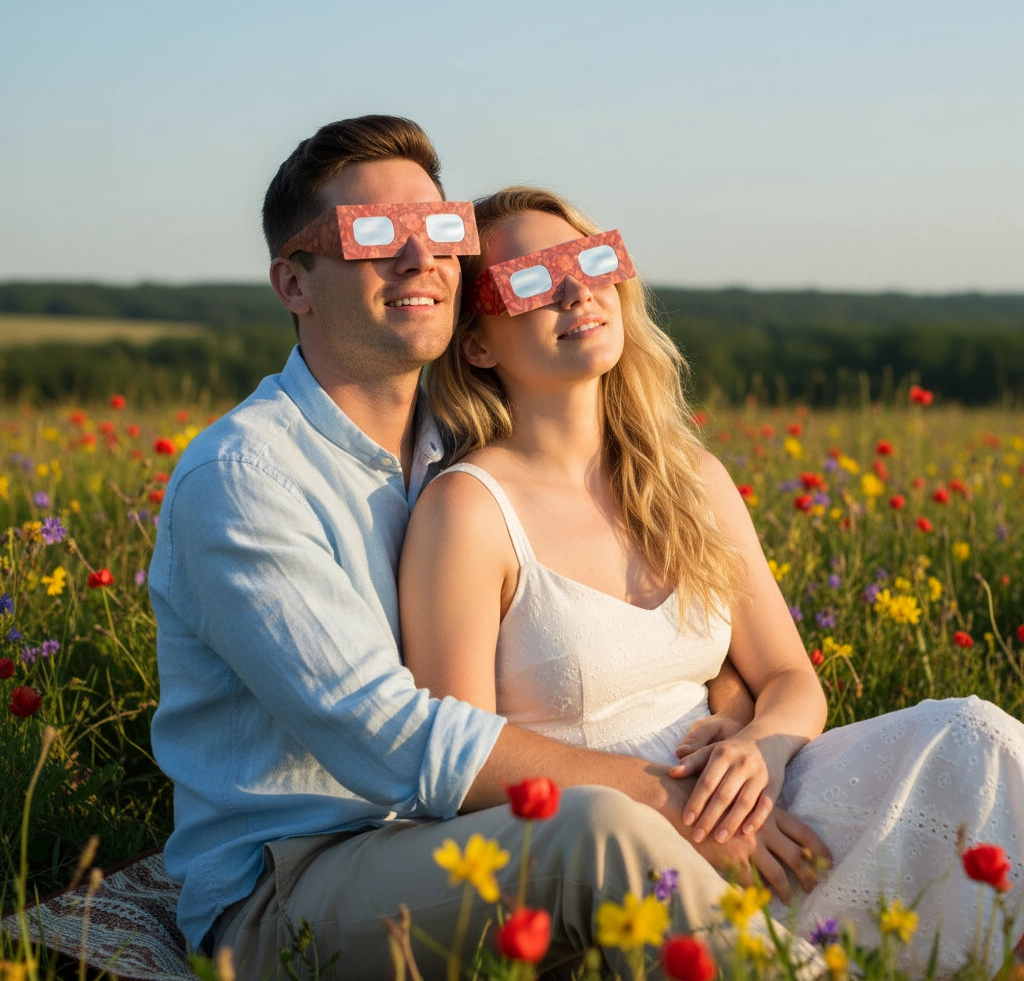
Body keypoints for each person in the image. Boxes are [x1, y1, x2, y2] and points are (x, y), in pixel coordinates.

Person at [148, 116, 829, 981]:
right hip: (293, 884)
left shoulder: (454, 444)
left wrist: (736, 710)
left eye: (441, 232)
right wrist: (671, 796)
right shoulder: (246, 479)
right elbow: (393, 740)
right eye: (369, 235)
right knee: (596, 831)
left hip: (458, 843)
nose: (417, 260)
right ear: (294, 282)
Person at [399, 185, 1024, 977]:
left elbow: (792, 678)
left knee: (976, 737)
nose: (574, 289)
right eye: (526, 279)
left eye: (590, 260)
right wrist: (674, 807)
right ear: (478, 344)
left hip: (761, 801)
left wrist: (762, 747)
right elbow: (464, 759)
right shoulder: (468, 509)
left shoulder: (689, 477)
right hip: (614, 850)